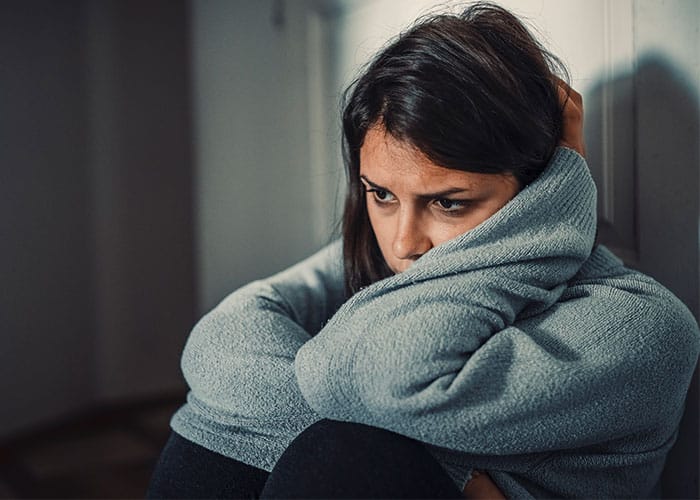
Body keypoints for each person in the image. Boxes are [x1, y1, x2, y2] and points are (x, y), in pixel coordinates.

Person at [148, 2, 700, 498]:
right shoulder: (381, 256)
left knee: (346, 455)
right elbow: (224, 338)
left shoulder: (643, 325)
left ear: (541, 191)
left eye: (450, 204)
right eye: (382, 194)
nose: (404, 242)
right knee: (230, 427)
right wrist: (460, 474)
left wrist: (562, 191)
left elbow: (393, 378)